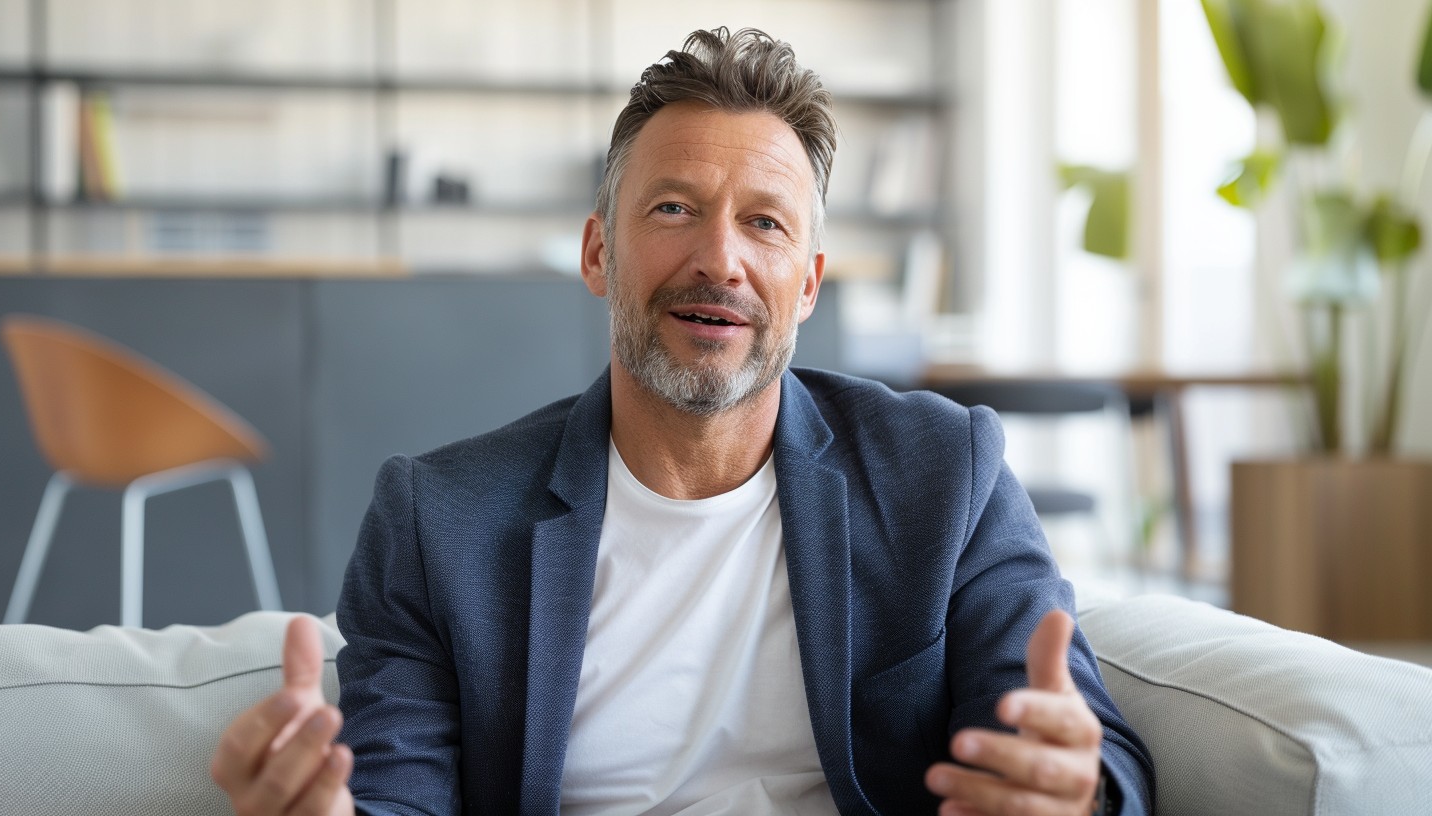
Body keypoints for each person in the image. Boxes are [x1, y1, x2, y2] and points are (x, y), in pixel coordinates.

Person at [211, 27, 1154, 816]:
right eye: (673, 208)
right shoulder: (437, 521)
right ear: (598, 254)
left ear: (809, 285)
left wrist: (1072, 791)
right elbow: (395, 795)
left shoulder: (946, 474)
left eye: (766, 223)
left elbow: (1098, 753)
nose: (719, 259)